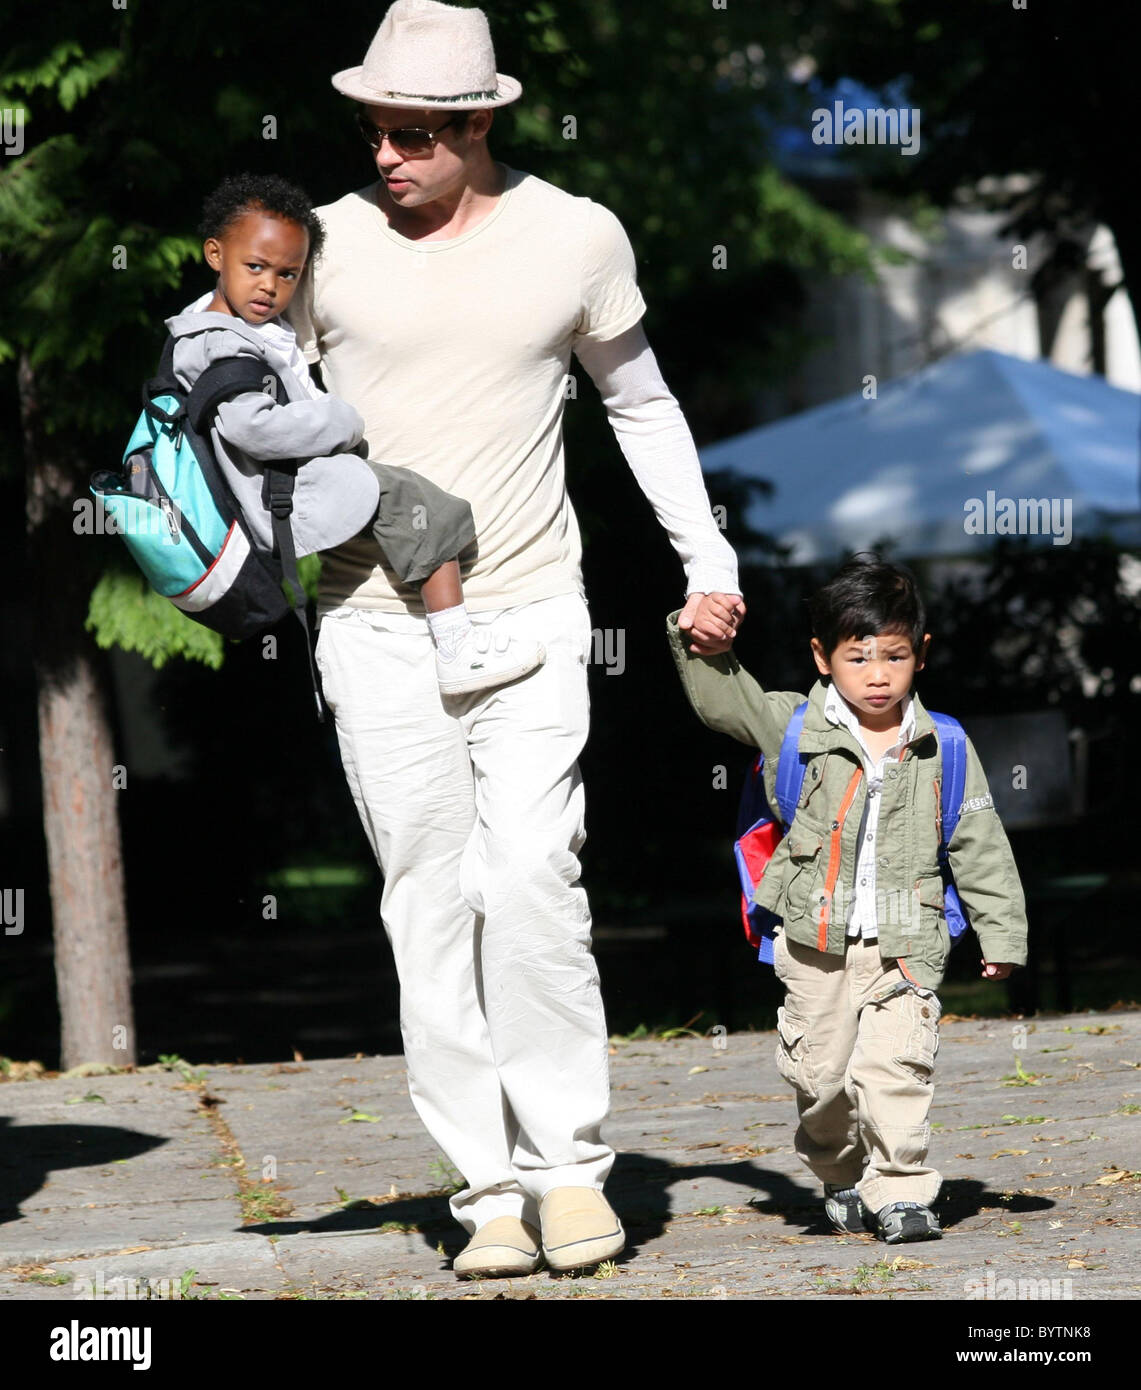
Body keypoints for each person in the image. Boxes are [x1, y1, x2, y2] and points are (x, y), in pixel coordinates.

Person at [287, 0, 743, 1276]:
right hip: (370, 623)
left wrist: (706, 561)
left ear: (478, 123)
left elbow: (641, 407)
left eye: (418, 134)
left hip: (533, 606)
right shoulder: (319, 244)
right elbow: (251, 410)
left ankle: (570, 1171)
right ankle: (485, 1188)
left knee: (536, 873)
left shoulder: (574, 236)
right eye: (377, 130)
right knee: (428, 899)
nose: (389, 156)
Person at [667, 554, 1029, 1244]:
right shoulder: (795, 727)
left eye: (893, 656)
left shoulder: (941, 744)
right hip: (813, 942)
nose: (876, 673)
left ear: (919, 656)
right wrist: (703, 644)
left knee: (895, 1068)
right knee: (822, 1081)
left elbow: (977, 840)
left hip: (904, 941)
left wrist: (1000, 934)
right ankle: (839, 1173)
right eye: (857, 656)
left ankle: (900, 1191)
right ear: (822, 656)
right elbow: (723, 700)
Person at [169, 172, 544, 697]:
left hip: (286, 486)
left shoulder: (221, 326)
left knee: (410, 505)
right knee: (424, 507)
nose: (269, 286)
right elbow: (253, 427)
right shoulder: (217, 343)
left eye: (287, 275)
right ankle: (458, 647)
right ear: (215, 254)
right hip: (280, 498)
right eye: (254, 267)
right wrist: (342, 421)